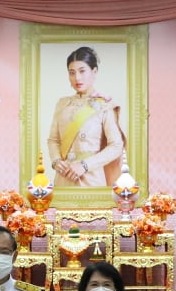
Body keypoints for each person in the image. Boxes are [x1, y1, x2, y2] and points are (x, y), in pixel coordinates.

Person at [46, 46, 125, 188]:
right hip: (63, 179)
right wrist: (56, 161)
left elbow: (116, 146)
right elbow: (53, 140)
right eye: (72, 72)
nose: (77, 78)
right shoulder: (62, 104)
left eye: (82, 71)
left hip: (91, 179)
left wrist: (85, 165)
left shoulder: (104, 105)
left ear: (94, 72)